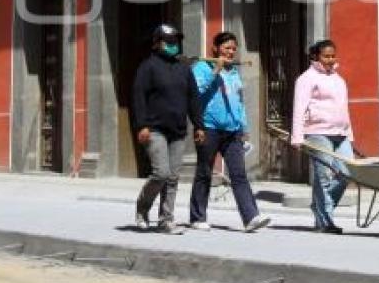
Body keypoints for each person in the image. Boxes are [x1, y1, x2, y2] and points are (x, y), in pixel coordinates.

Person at [189, 32, 271, 233]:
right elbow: (196, 92)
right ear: (216, 48)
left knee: (238, 174)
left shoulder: (234, 71)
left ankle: (250, 217)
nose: (231, 51)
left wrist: (243, 128)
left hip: (232, 131)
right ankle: (197, 217)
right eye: (227, 47)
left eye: (234, 48)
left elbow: (239, 101)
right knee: (204, 172)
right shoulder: (201, 67)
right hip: (209, 128)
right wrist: (214, 71)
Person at [133, 23, 205, 234]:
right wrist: (142, 125)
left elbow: (193, 99)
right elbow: (138, 97)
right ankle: (142, 208)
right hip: (155, 129)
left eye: (176, 41)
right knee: (161, 173)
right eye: (169, 41)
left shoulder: (184, 68)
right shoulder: (148, 67)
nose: (174, 45)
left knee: (173, 177)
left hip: (178, 130)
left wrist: (199, 125)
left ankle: (166, 220)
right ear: (157, 44)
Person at [290, 39, 354, 234]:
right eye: (326, 56)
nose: (330, 59)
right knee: (323, 177)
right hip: (317, 132)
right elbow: (299, 108)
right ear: (316, 57)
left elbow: (344, 109)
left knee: (346, 173)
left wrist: (349, 133)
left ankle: (320, 208)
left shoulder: (338, 79)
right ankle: (324, 221)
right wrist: (297, 137)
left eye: (332, 55)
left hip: (340, 133)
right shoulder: (306, 79)